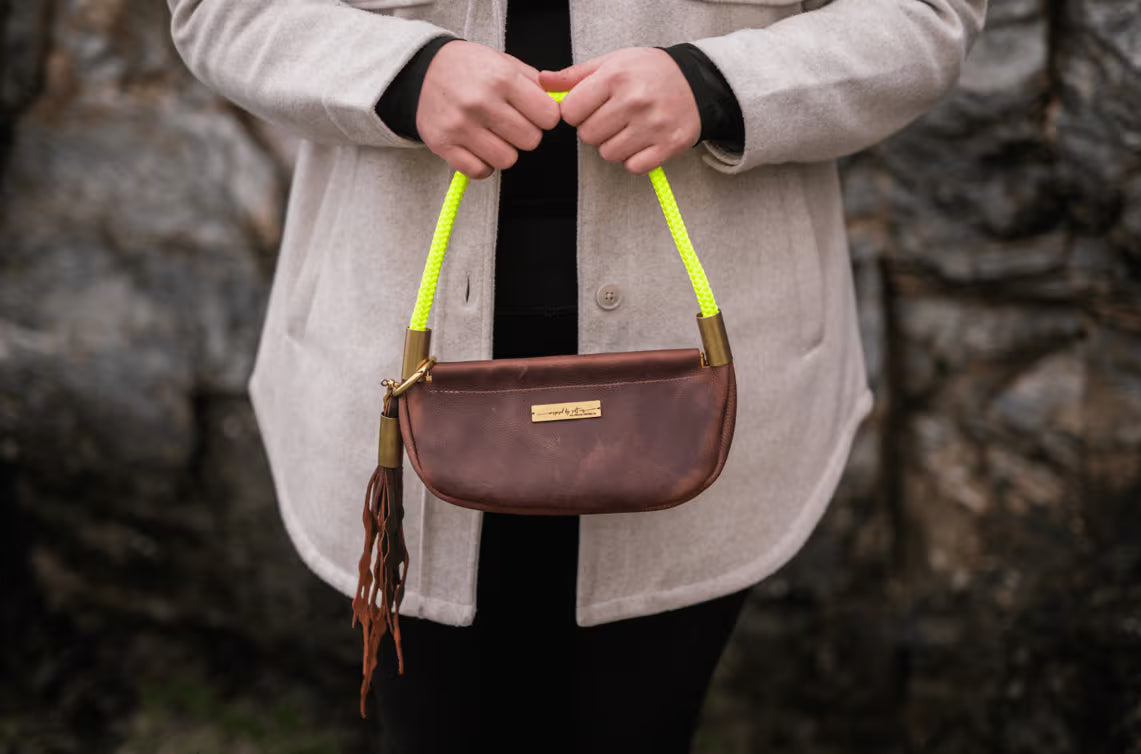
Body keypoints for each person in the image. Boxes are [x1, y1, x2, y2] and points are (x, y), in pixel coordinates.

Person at [165, 0, 986, 750]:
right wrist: (404, 76)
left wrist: (716, 85)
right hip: (389, 385)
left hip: (710, 389)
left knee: (639, 729)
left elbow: (924, 16)